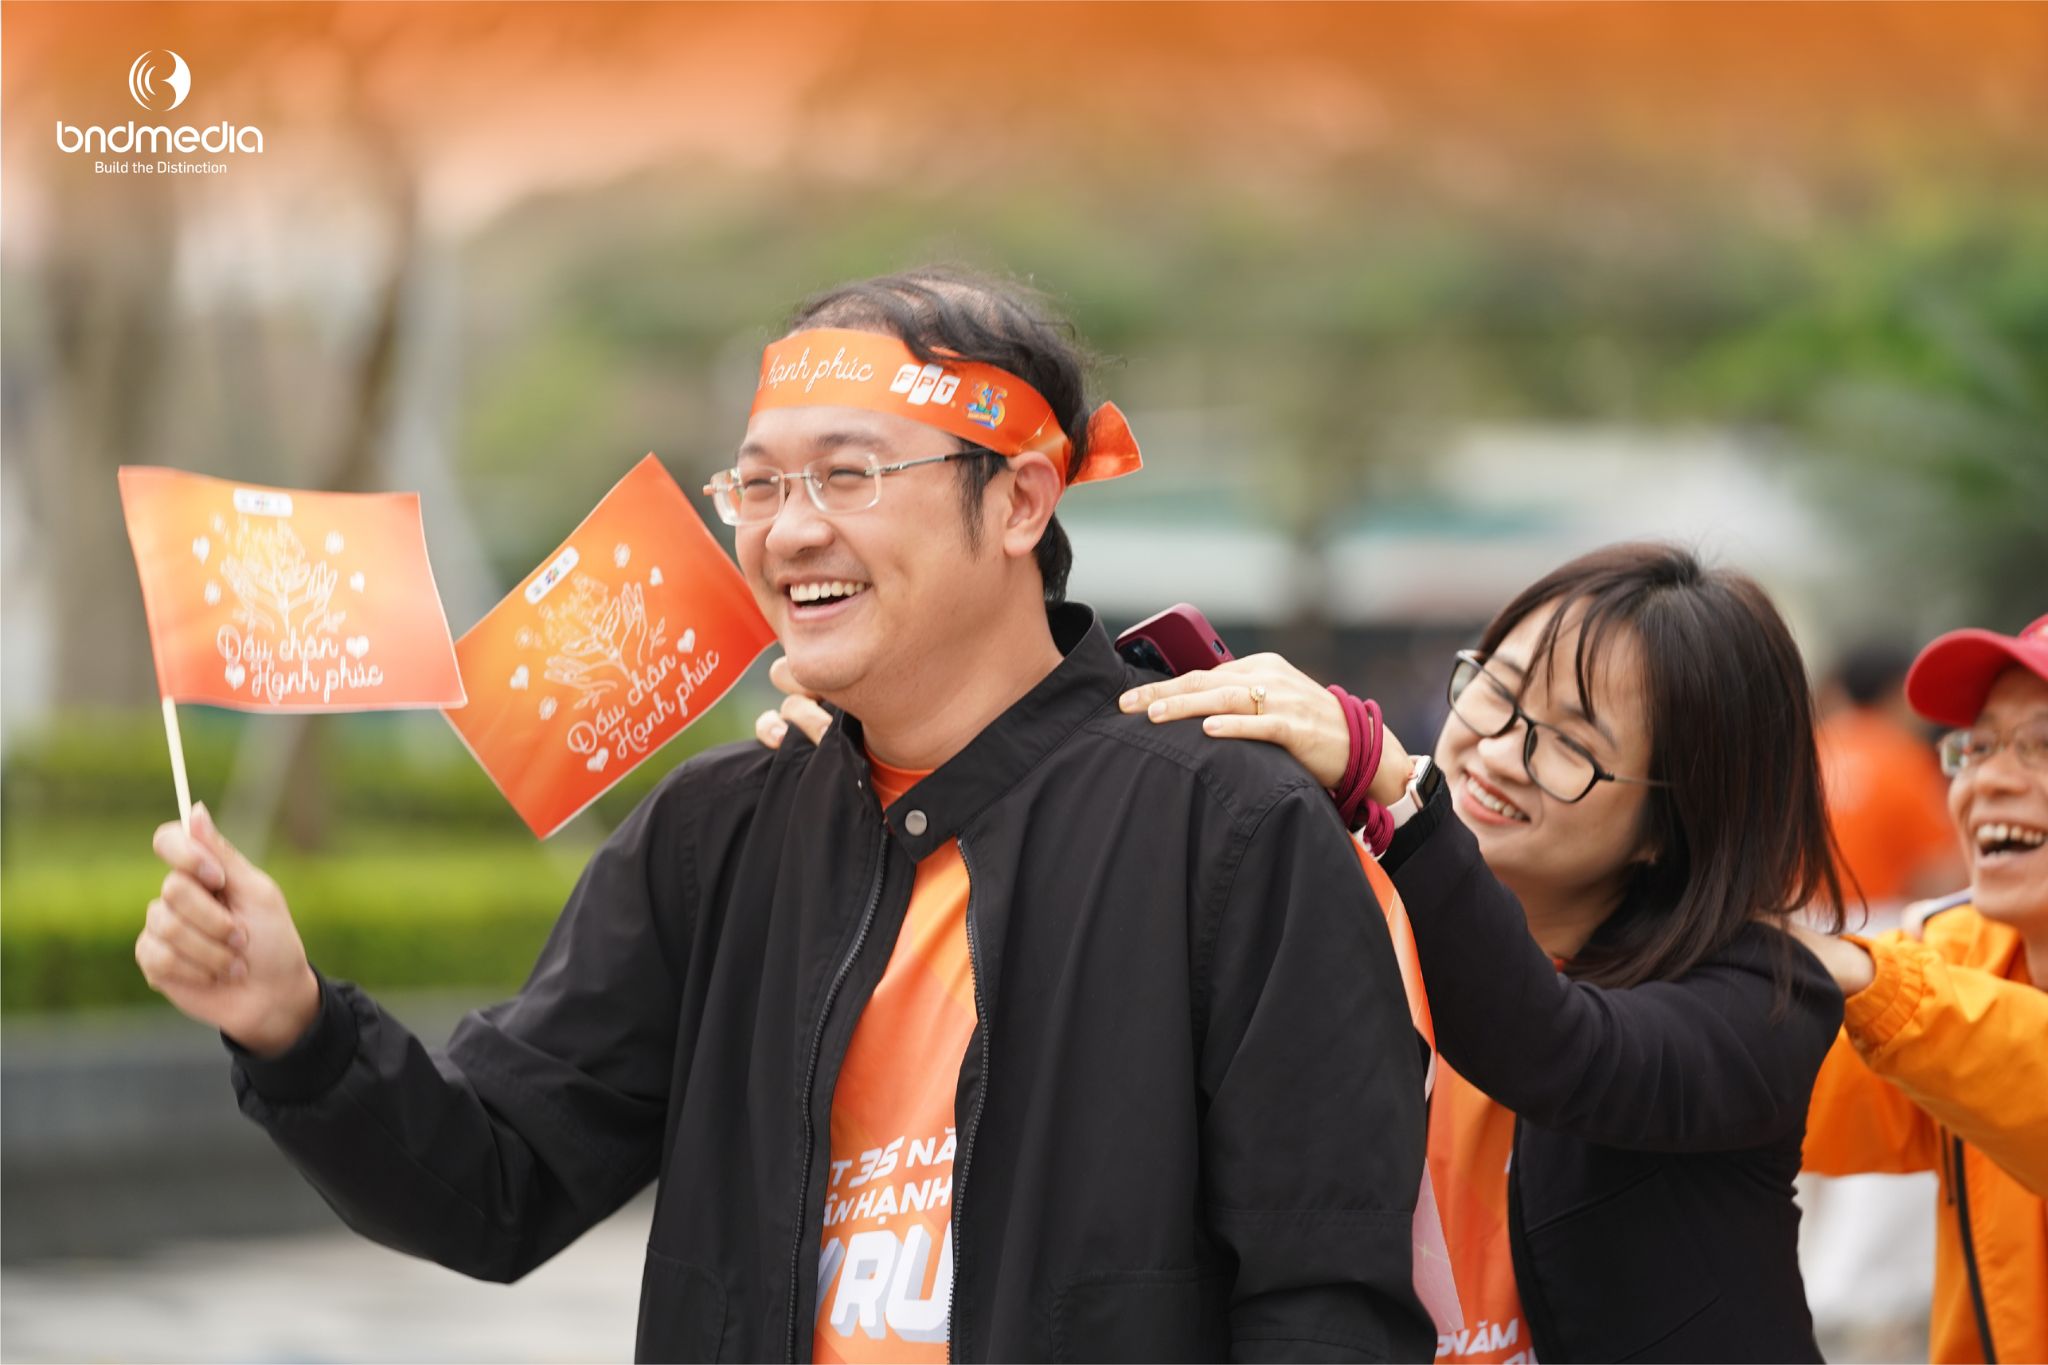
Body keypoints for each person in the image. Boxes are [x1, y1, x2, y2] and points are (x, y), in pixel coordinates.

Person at [136, 268, 1431, 1363]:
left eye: (847, 476)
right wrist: (292, 1025)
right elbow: (494, 1184)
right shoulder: (718, 835)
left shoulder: (1226, 827)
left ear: (1022, 500)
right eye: (756, 487)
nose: (789, 532)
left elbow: (1324, 1303)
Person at [1115, 544, 1849, 1362]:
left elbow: (1563, 1050)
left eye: (1571, 742)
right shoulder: (1367, 925)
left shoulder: (1765, 999)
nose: (1496, 751)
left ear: (1675, 823)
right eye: (1497, 689)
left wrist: (1389, 783)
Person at [1795, 612, 2048, 1365]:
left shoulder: (1816, 750)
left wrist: (1874, 978)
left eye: (2044, 745)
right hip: (1849, 942)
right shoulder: (1958, 951)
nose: (1989, 777)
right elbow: (1760, 1081)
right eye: (1977, 746)